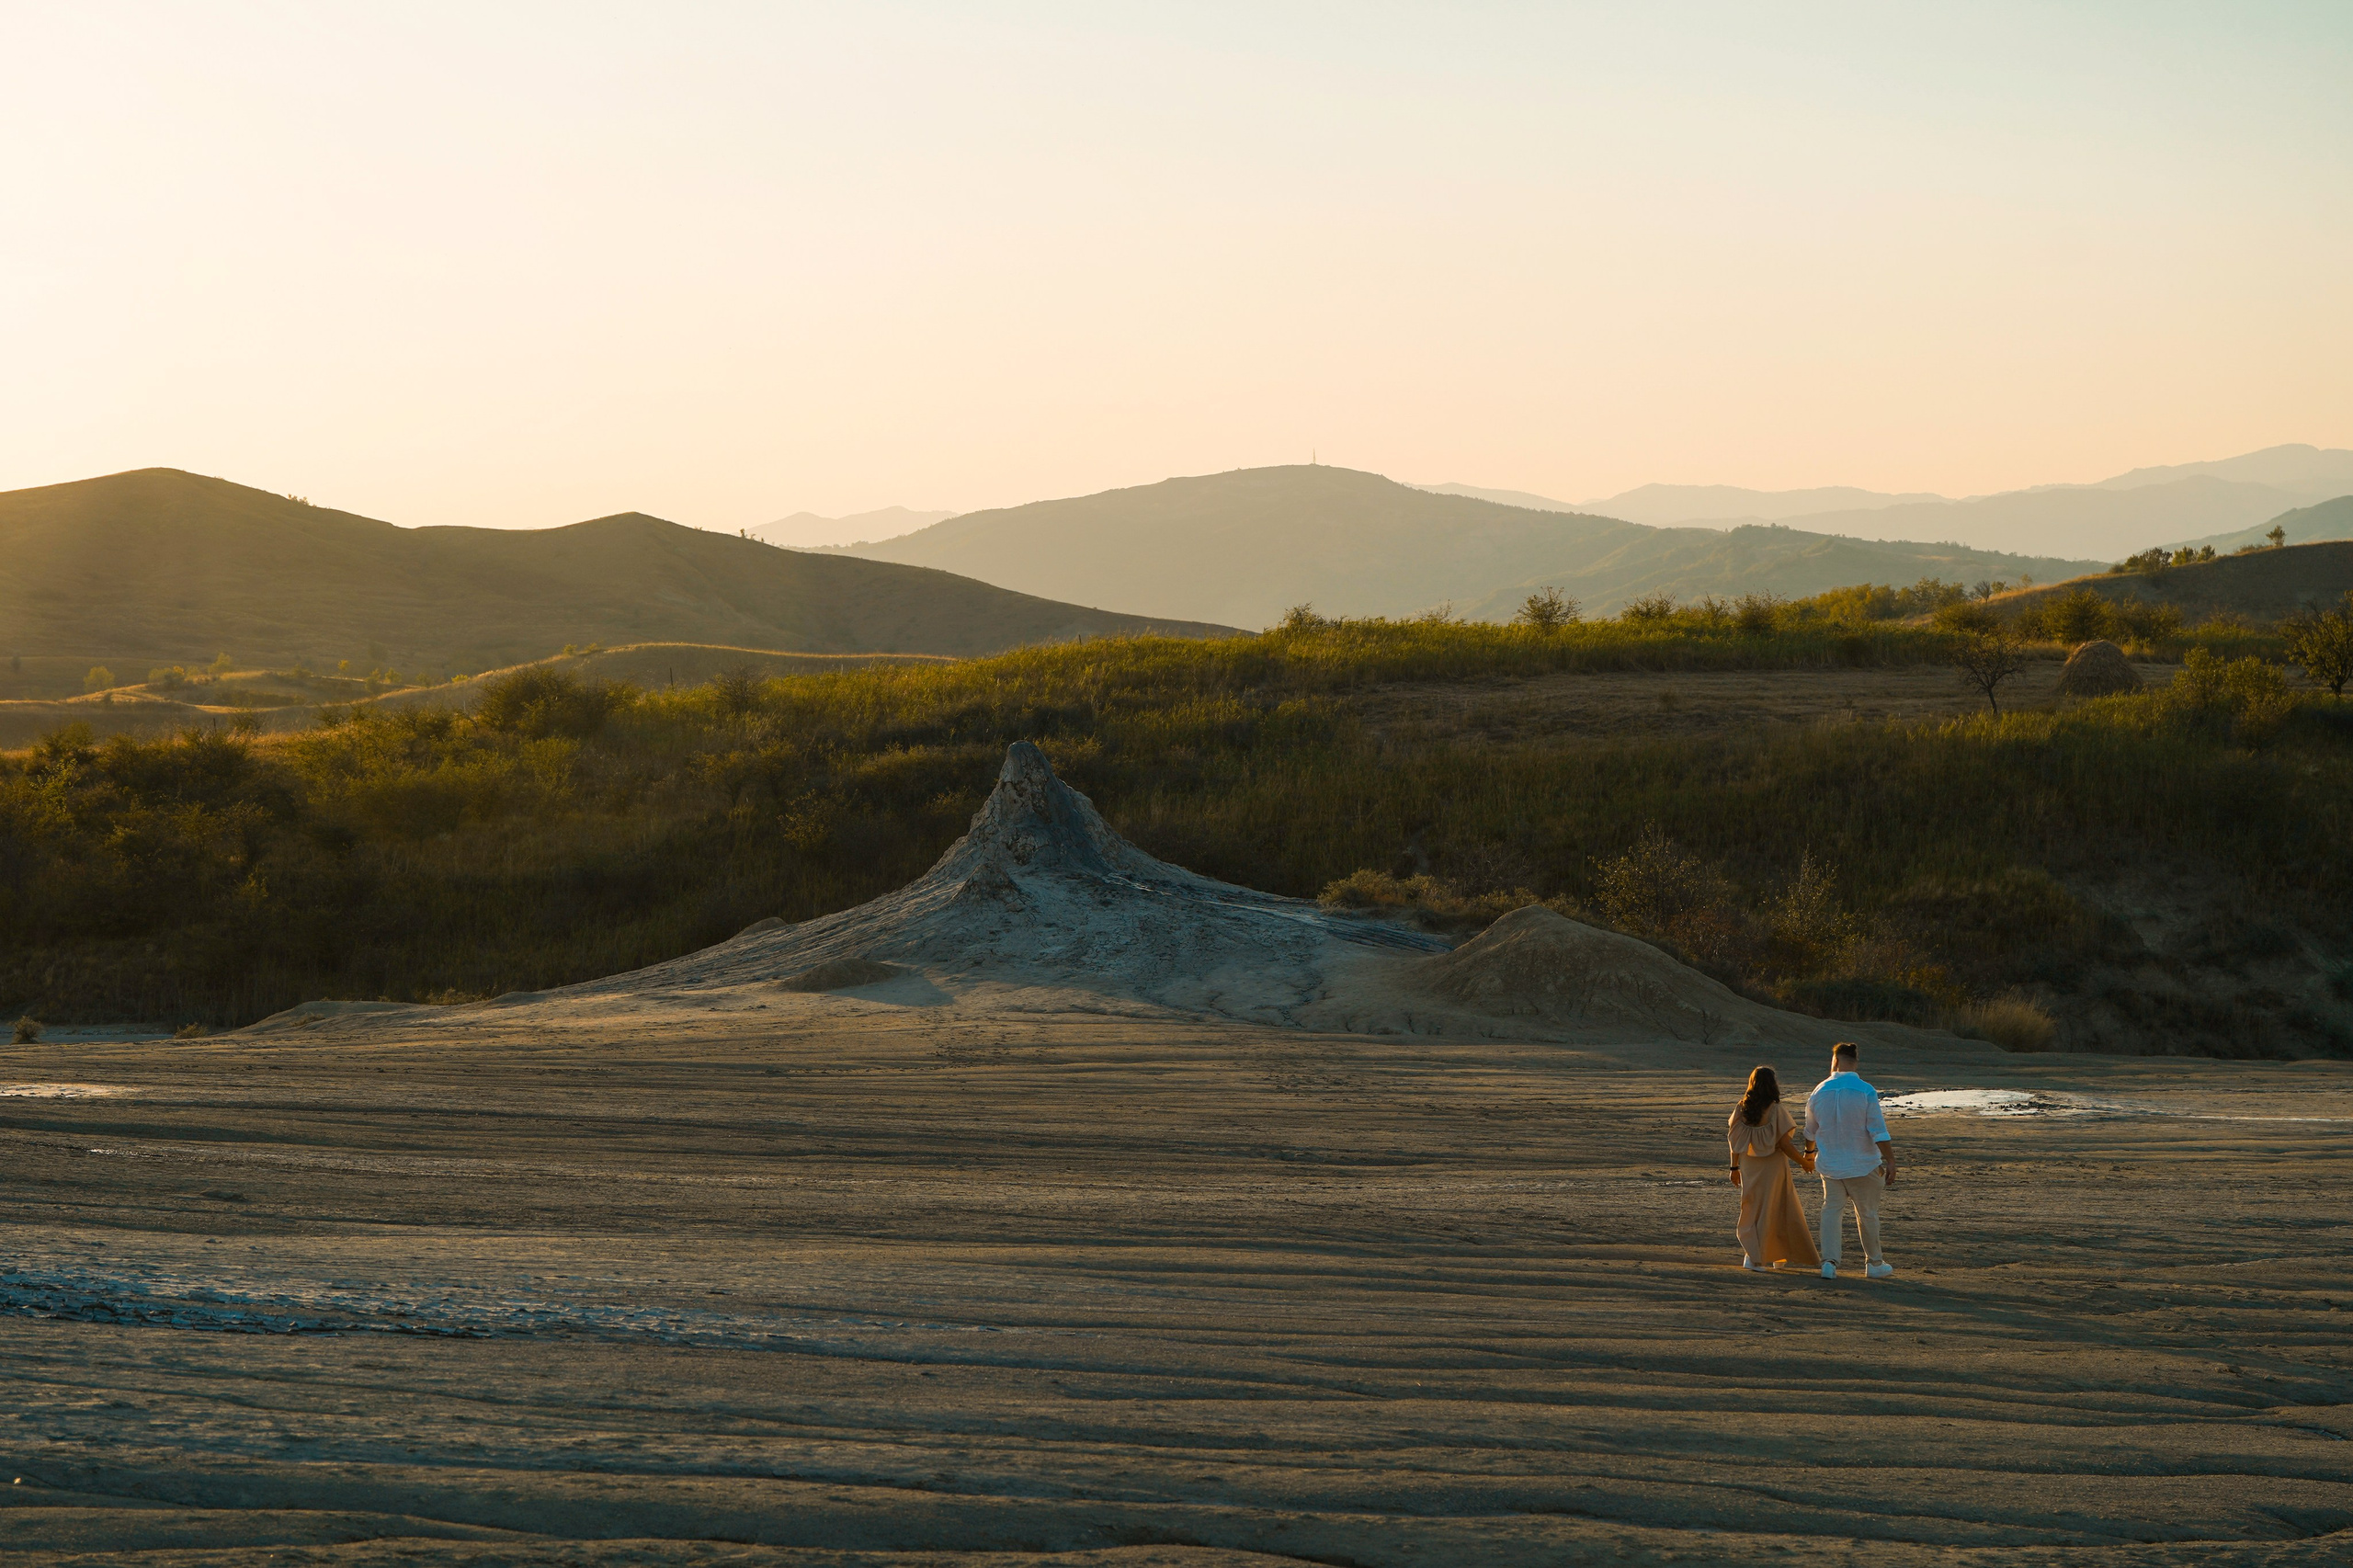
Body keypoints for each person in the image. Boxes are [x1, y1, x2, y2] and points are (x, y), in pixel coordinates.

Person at [1804, 1041, 1897, 1279]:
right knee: (1867, 1214)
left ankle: (1829, 1262)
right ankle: (1874, 1262)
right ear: (1855, 1062)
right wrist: (1891, 1160)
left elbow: (1810, 1131)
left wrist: (1809, 1153)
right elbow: (1878, 1130)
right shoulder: (1865, 1090)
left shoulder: (1819, 1090)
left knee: (1831, 1211)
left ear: (1834, 1061)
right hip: (1861, 1164)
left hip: (1830, 1164)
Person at [1726, 1065, 1820, 1272]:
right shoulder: (1777, 1110)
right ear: (1773, 1085)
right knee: (1777, 1208)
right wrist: (1804, 1162)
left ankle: (1766, 1255)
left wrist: (1734, 1168)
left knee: (1753, 1208)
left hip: (1750, 1166)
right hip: (1773, 1167)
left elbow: (1734, 1142)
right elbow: (1785, 1145)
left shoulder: (1741, 1108)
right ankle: (1757, 1258)